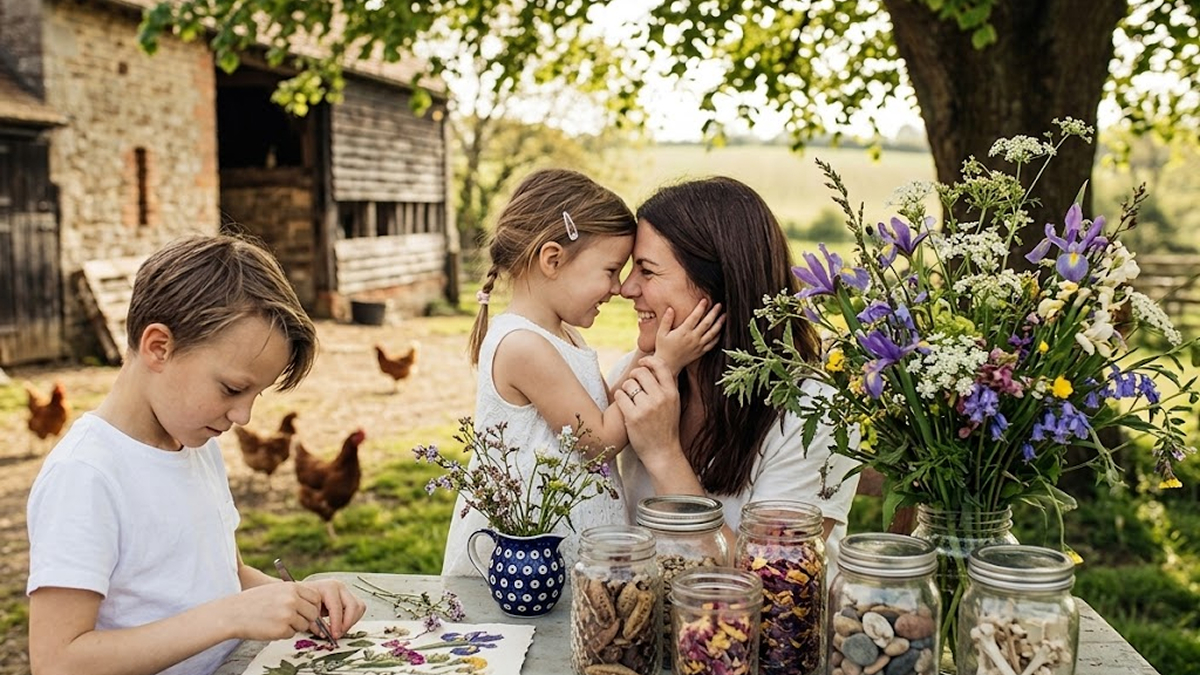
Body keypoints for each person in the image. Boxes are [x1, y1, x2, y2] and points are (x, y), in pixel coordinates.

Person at [26, 235, 367, 675]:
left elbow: (226, 572)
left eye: (255, 395)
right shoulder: (85, 476)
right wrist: (229, 617)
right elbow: (58, 661)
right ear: (159, 348)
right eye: (231, 389)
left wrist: (300, 599)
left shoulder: (194, 443)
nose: (243, 415)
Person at [441, 169, 723, 576]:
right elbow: (602, 442)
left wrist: (652, 356)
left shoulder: (561, 335)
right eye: (610, 271)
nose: (617, 288)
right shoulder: (524, 346)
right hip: (531, 551)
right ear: (553, 259)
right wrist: (665, 363)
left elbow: (607, 409)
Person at [609, 176, 861, 573]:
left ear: (717, 284)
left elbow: (772, 580)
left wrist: (664, 455)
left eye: (647, 271)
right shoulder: (639, 374)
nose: (626, 288)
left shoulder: (813, 413)